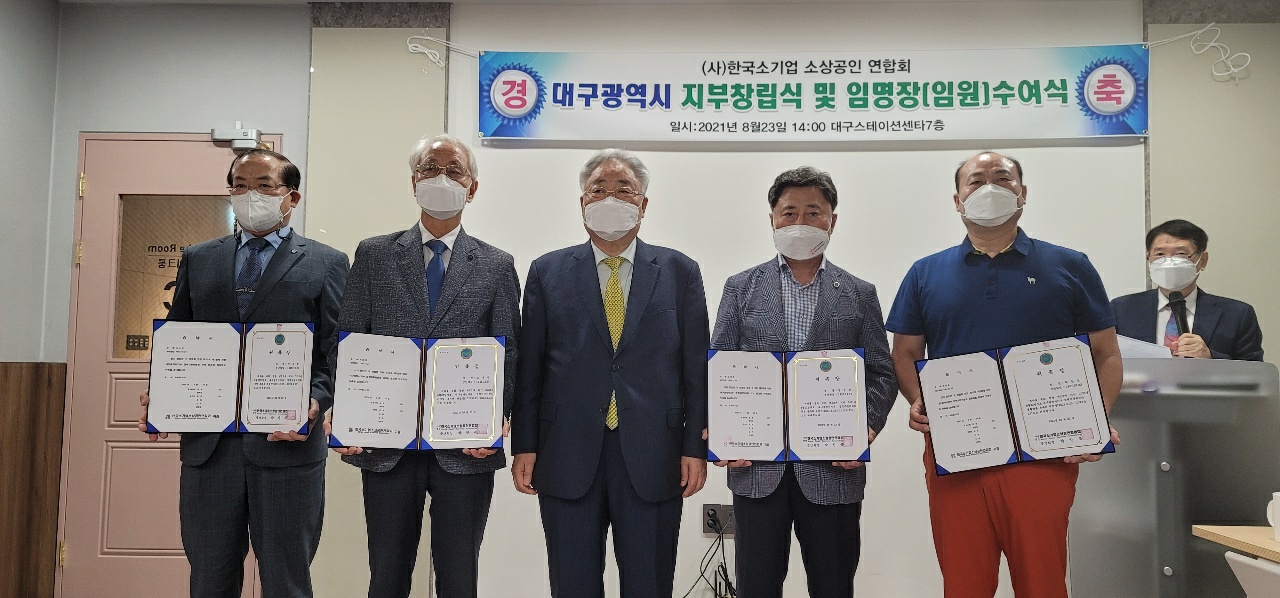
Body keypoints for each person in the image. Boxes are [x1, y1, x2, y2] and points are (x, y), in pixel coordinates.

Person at [885, 151, 1123, 598]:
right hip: (958, 451)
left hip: (1044, 454)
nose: (989, 188)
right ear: (957, 200)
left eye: (1002, 178)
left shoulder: (1070, 265)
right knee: (964, 583)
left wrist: (1096, 421)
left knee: (1042, 582)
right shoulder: (924, 273)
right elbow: (906, 353)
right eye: (976, 181)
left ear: (1023, 193)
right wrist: (920, 400)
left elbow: (1106, 354)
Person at [138, 148, 350, 598]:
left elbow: (336, 352)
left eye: (264, 186)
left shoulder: (326, 261)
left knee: (286, 581)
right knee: (209, 579)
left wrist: (316, 401)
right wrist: (162, 395)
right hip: (210, 452)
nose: (250, 194)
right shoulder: (199, 257)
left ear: (291, 197)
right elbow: (180, 338)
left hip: (287, 448)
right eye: (239, 185)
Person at [323, 134, 520, 598]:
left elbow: (509, 351)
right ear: (413, 181)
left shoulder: (496, 264)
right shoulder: (374, 254)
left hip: (466, 447)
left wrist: (497, 419)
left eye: (454, 171)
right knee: (387, 575)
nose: (441, 178)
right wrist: (344, 413)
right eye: (430, 168)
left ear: (472, 188)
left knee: (458, 577)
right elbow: (348, 341)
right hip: (385, 444)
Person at [511, 148, 709, 598]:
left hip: (655, 454)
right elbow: (531, 368)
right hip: (565, 451)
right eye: (598, 190)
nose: (610, 198)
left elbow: (696, 368)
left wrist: (695, 447)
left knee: (649, 584)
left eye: (624, 190)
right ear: (581, 202)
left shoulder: (680, 271)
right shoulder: (547, 271)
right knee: (572, 584)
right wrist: (524, 444)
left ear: (644, 204)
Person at [710, 166, 898, 598]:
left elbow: (882, 373)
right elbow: (720, 368)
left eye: (813, 212)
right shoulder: (741, 288)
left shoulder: (859, 292)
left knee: (833, 585)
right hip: (757, 469)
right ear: (772, 219)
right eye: (789, 212)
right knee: (757, 586)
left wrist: (865, 428)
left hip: (834, 468)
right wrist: (722, 434)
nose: (800, 222)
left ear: (833, 220)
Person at [1111, 219, 1263, 361]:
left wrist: (1211, 358)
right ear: (1148, 259)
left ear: (1202, 260)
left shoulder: (1237, 314)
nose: (1169, 261)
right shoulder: (1121, 310)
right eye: (1159, 254)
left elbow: (1255, 373)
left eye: (1180, 254)